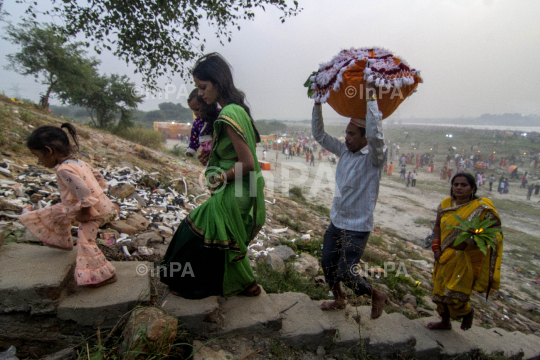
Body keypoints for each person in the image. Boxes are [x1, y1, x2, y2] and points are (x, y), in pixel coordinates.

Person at [160, 53, 266, 299]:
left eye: (203, 87)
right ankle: (246, 285)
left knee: (195, 230)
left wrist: (219, 178)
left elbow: (248, 163)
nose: (201, 94)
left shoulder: (229, 113)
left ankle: (195, 283)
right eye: (198, 87)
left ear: (218, 82)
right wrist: (212, 158)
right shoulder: (235, 110)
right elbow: (232, 152)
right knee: (220, 236)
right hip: (240, 188)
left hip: (235, 190)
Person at [312, 84, 387, 319]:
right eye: (346, 132)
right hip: (337, 221)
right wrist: (317, 103)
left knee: (346, 271)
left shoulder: (375, 158)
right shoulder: (344, 150)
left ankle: (375, 294)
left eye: (352, 134)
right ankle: (339, 299)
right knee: (327, 263)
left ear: (365, 137)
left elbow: (377, 137)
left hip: (357, 226)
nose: (347, 137)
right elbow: (320, 135)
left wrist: (372, 99)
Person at [19, 123, 117, 287]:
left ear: (49, 151)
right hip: (89, 205)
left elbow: (84, 191)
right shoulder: (78, 162)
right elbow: (98, 176)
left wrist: (85, 211)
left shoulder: (63, 170)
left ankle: (103, 275)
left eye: (38, 156)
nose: (39, 161)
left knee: (86, 241)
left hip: (89, 210)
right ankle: (60, 241)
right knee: (55, 212)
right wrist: (98, 192)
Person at [428, 173, 503, 331]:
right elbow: (437, 226)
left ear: (473, 188)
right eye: (456, 184)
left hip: (464, 258)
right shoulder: (446, 203)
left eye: (464, 185)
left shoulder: (481, 207)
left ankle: (467, 312)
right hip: (444, 256)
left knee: (455, 294)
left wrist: (476, 232)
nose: (459, 187)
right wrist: (436, 247)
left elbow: (494, 230)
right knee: (439, 293)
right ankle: (445, 322)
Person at [186, 89, 219, 158]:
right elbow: (194, 138)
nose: (195, 113)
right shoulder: (197, 123)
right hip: (206, 153)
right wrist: (191, 149)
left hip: (218, 152)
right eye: (193, 110)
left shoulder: (218, 116)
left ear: (207, 104)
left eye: (197, 109)